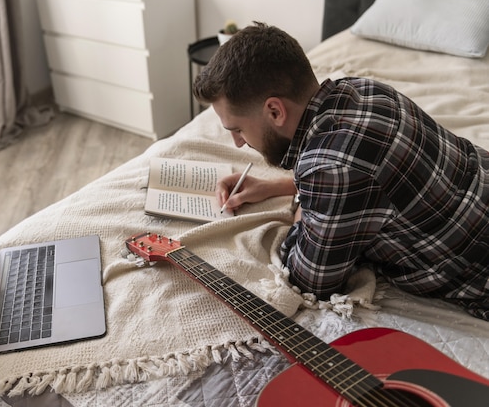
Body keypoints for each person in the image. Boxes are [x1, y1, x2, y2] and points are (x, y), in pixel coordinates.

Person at [193, 22, 489, 320]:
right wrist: (281, 186)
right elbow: (375, 177)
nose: (238, 142)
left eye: (238, 129)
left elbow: (308, 281)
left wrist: (303, 203)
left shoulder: (330, 169)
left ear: (275, 111)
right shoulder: (363, 89)